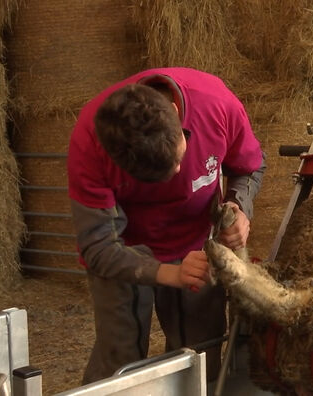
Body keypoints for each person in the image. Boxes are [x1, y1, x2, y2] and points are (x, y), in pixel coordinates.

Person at [67, 67, 265, 385]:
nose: (176, 176)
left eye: (178, 160)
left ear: (175, 113)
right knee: (120, 362)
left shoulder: (217, 104)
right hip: (124, 250)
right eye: (154, 178)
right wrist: (169, 273)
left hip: (196, 243)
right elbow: (98, 246)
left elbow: (250, 167)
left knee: (200, 357)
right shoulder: (91, 139)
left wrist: (239, 206)